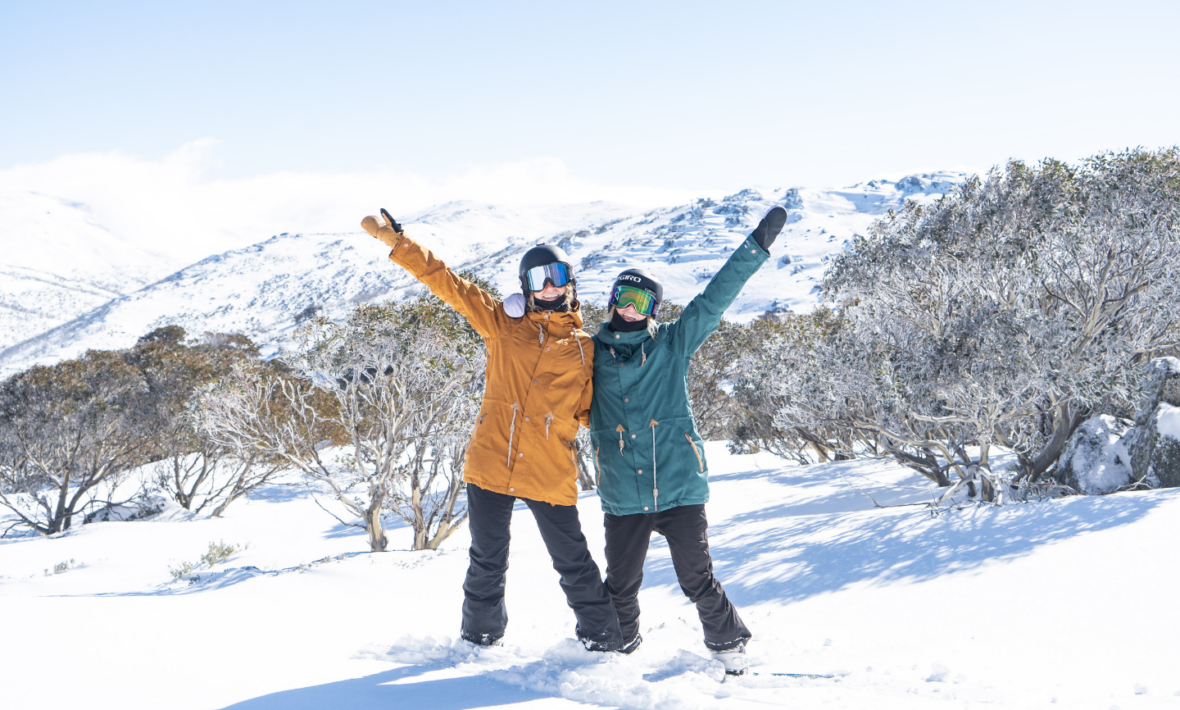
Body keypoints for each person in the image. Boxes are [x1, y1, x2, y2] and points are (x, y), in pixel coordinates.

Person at [361, 209, 623, 651]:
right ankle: (480, 638)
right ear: (527, 288)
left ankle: (603, 639)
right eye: (539, 279)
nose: (550, 287)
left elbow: (592, 412)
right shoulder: (503, 325)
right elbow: (448, 284)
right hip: (492, 460)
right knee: (487, 559)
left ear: (571, 282)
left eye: (557, 275)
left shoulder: (585, 350)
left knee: (573, 560)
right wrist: (399, 243)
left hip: (547, 468)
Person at [589, 206, 787, 674]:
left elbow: (714, 301)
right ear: (611, 300)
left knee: (697, 580)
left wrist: (756, 247)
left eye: (641, 301)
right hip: (623, 492)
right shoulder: (589, 352)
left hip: (678, 487)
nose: (629, 308)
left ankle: (728, 644)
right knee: (620, 585)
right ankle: (621, 647)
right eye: (623, 297)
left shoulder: (672, 345)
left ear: (654, 310)